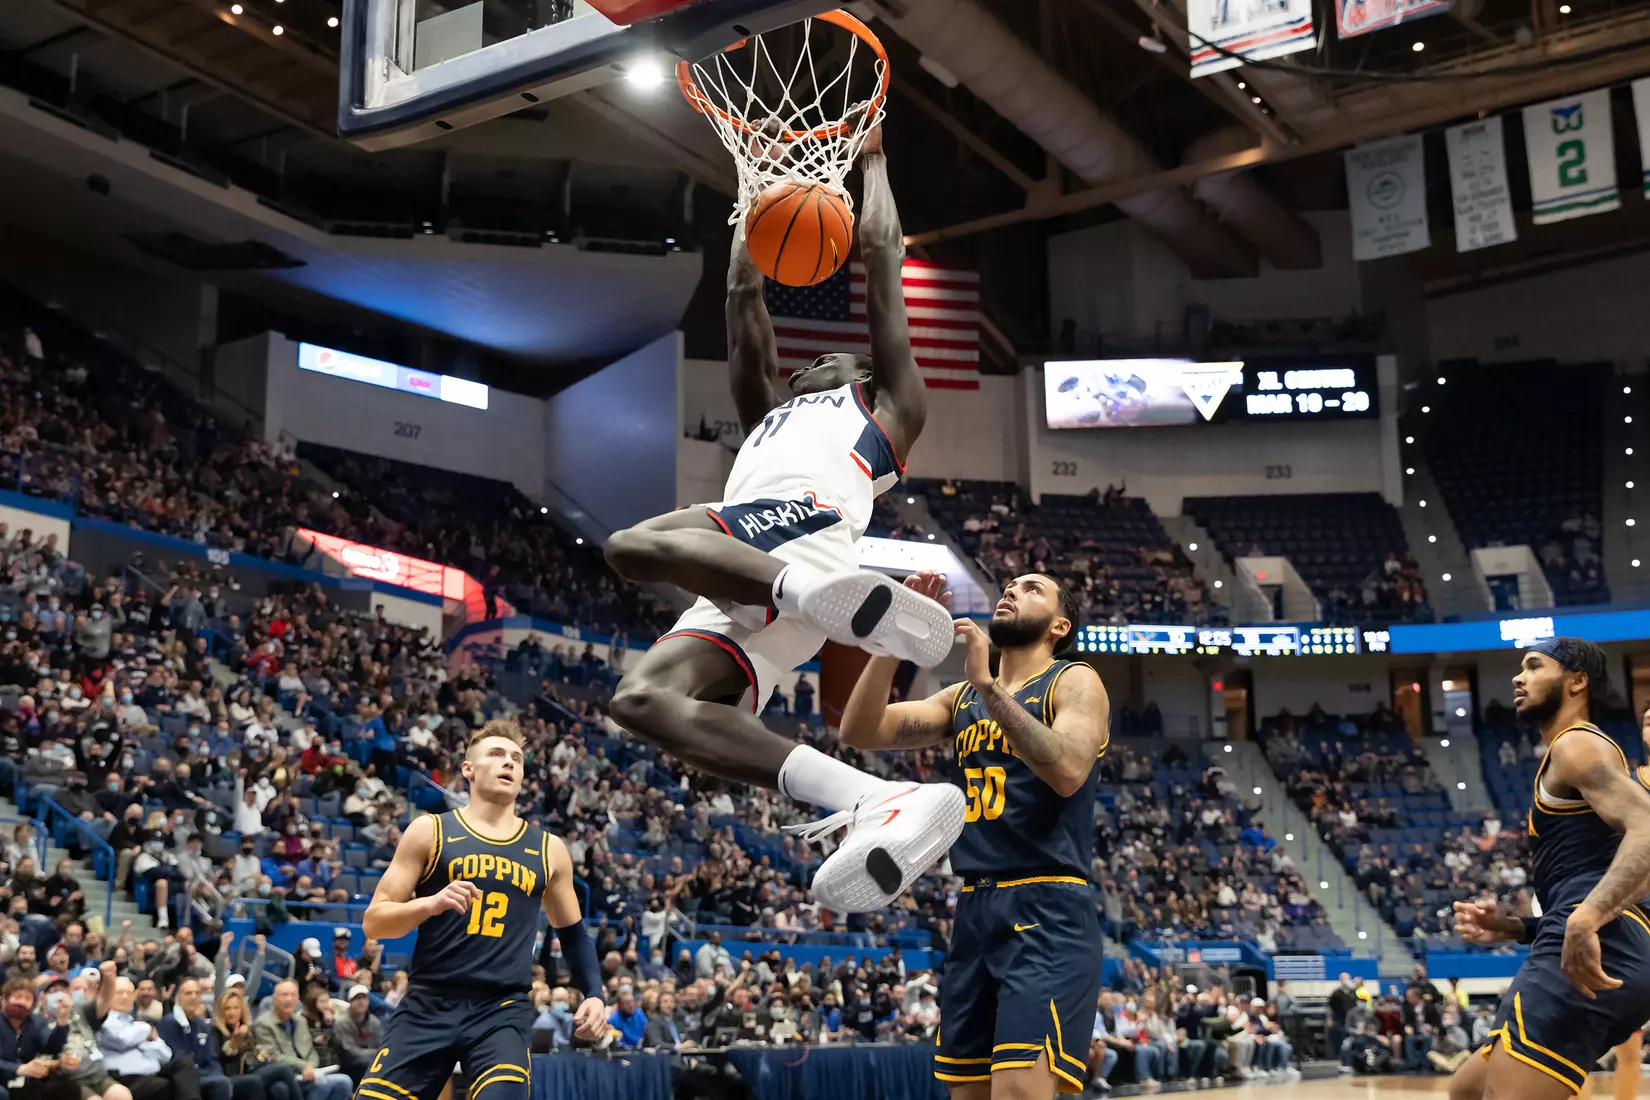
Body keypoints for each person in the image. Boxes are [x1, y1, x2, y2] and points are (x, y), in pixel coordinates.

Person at [603, 124, 962, 914]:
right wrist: (752, 194)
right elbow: (742, 301)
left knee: (632, 545)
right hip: (759, 580)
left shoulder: (886, 404)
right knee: (641, 703)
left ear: (856, 371)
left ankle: (812, 595)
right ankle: (873, 798)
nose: (802, 367)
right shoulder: (768, 413)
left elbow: (882, 261)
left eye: (820, 363)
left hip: (799, 534)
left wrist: (873, 160)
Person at [839, 570, 1110, 1094]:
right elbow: (859, 730)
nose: (1011, 590)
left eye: (1033, 588)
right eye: (1009, 585)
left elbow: (1070, 768)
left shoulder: (1074, 679)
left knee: (1017, 1092)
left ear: (1059, 625)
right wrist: (895, 635)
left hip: (1046, 906)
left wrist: (987, 685)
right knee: (966, 1093)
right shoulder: (959, 698)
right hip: (974, 909)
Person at [356, 719, 605, 1100]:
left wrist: (594, 992)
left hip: (500, 1010)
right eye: (496, 753)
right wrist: (429, 903)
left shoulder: (548, 849)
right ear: (468, 770)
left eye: (517, 758)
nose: (509, 763)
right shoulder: (430, 831)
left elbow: (572, 932)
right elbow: (375, 921)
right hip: (428, 1002)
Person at [1452, 638, 1650, 1100]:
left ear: (1577, 680)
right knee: (1468, 1090)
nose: (1519, 678)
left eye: (1534, 666)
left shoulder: (1576, 744)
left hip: (1601, 945)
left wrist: (1587, 917)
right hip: (1591, 937)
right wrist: (1519, 926)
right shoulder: (1571, 753)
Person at [251, 982, 347, 1100]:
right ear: (274, 999)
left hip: (308, 1073)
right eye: (284, 995)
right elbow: (274, 1056)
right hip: (284, 1074)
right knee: (320, 1084)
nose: (289, 999)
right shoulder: (264, 1023)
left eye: (293, 995)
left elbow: (310, 1050)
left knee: (344, 1082)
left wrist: (311, 1066)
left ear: (298, 999)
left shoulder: (301, 1021)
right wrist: (303, 1066)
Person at [330, 987, 379, 1087]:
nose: (361, 1002)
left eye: (364, 998)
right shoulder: (342, 1021)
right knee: (367, 1062)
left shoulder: (375, 1022)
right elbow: (350, 1050)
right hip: (347, 1061)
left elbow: (379, 1044)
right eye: (357, 998)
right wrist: (375, 1053)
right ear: (350, 1002)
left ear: (368, 1001)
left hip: (368, 1058)